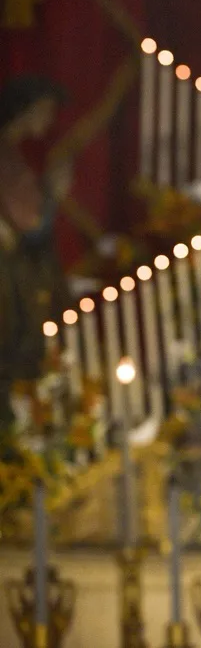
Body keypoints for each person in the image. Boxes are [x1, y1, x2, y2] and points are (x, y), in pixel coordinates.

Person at [0, 75, 71, 427]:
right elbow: (29, 225)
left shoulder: (11, 156)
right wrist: (53, 193)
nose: (48, 120)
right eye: (44, 111)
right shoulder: (6, 159)